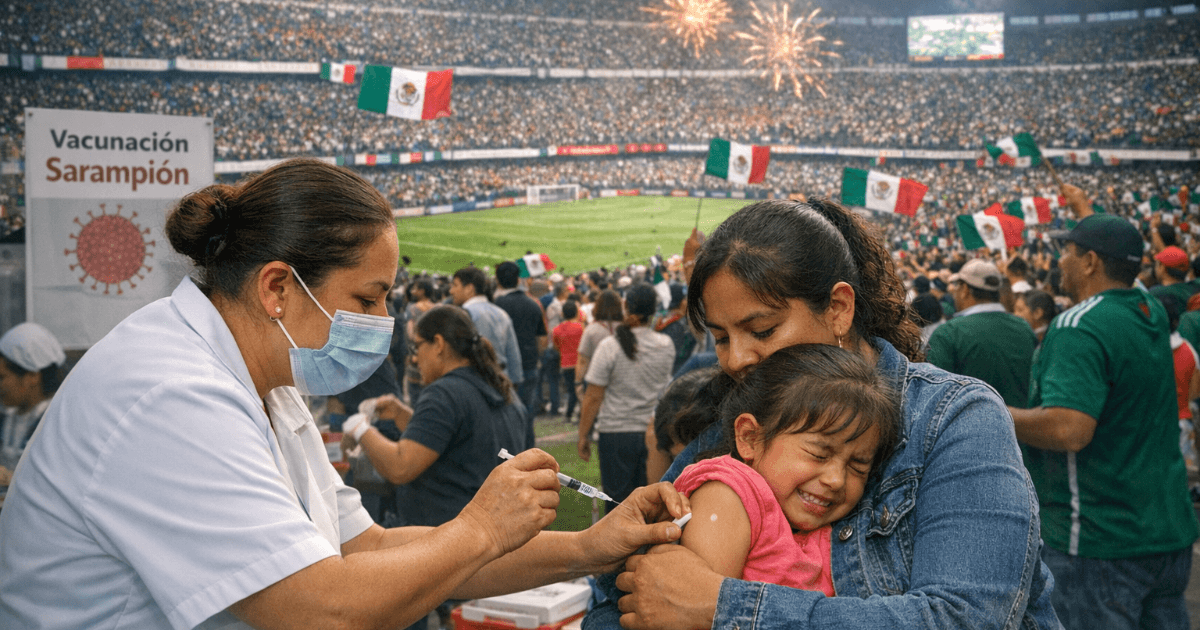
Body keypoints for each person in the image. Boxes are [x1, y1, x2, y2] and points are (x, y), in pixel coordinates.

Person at [0, 159, 688, 630]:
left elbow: (370, 550)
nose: (383, 323)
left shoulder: (269, 388)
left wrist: (589, 545)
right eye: (366, 298)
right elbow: (322, 607)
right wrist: (478, 528)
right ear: (276, 288)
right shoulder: (168, 392)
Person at [587, 198, 1058, 630]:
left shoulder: (953, 418)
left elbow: (968, 618)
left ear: (838, 309)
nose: (735, 359)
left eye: (763, 329)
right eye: (723, 337)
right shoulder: (732, 423)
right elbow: (617, 600)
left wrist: (722, 606)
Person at [1012, 212, 1199, 630]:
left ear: (1091, 261)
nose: (1059, 260)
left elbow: (1070, 429)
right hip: (1167, 530)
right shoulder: (1148, 307)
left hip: (1100, 538)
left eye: (1068, 251)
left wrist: (995, 411)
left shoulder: (1079, 325)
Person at [672, 344, 900, 594]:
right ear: (750, 438)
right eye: (819, 454)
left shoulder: (824, 532)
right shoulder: (728, 495)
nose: (836, 480)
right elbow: (694, 609)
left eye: (858, 467)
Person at [341, 304, 531, 527]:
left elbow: (400, 467)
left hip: (448, 536)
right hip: (494, 530)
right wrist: (403, 415)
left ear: (439, 344)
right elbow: (462, 441)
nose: (413, 359)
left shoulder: (444, 393)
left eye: (416, 347)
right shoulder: (502, 390)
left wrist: (360, 428)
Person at [578, 284, 675, 514]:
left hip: (617, 434)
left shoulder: (610, 346)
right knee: (650, 504)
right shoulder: (665, 345)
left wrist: (583, 434)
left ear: (626, 307)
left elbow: (593, 396)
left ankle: (621, 549)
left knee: (618, 504)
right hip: (652, 432)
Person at [927, 259, 1037, 408]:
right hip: (1023, 427)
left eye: (957, 286)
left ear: (965, 290)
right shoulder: (1025, 328)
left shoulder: (948, 334)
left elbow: (933, 397)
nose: (954, 292)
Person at [0, 322, 66, 503]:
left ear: (32, 377)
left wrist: (11, 478)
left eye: (2, 377)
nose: (1, 385)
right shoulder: (8, 417)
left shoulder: (56, 422)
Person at [449, 266, 524, 389]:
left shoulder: (464, 314)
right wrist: (514, 381)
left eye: (455, 285)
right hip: (501, 378)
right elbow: (513, 353)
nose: (451, 291)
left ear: (469, 289)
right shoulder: (501, 313)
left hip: (475, 383)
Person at [493, 261, 548, 420]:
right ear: (518, 280)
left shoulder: (496, 306)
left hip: (502, 368)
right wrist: (536, 357)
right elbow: (542, 338)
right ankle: (527, 444)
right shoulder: (533, 304)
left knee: (505, 415)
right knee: (526, 412)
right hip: (528, 364)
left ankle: (510, 445)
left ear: (498, 280)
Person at [574, 289, 623, 401]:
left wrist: (577, 382)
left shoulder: (591, 330)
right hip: (622, 378)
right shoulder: (627, 328)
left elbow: (583, 360)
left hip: (595, 379)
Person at [404, 278, 437, 405]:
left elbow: (410, 335)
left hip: (416, 360)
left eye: (415, 289)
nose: (412, 291)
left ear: (422, 291)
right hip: (434, 361)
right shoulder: (437, 308)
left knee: (415, 400)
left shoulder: (412, 309)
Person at [553, 300, 584, 423]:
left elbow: (556, 346)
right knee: (580, 390)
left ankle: (569, 414)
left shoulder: (557, 330)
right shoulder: (581, 328)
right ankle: (579, 414)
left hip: (566, 363)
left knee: (571, 390)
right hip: (580, 363)